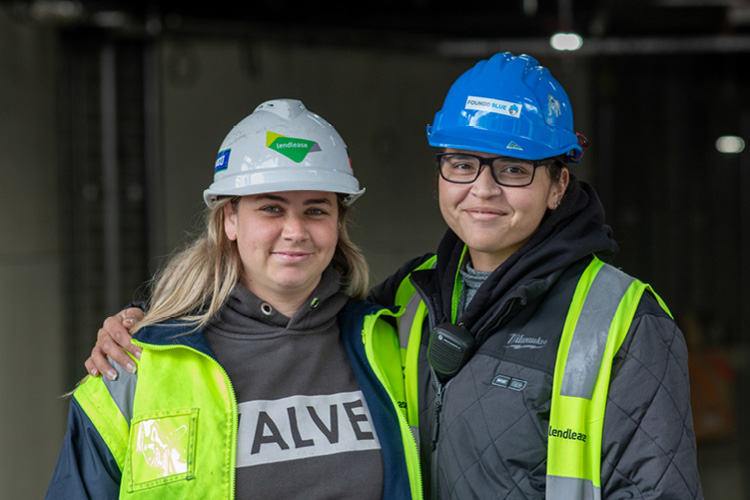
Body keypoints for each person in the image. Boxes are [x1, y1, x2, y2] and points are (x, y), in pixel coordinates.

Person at [85, 54, 704, 499]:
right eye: (462, 163)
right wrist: (148, 326)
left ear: (558, 184)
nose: (483, 189)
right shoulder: (405, 304)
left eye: (514, 170)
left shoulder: (620, 320)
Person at [46, 98, 421, 499]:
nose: (295, 231)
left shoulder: (390, 345)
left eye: (316, 211)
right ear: (230, 219)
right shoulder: (135, 364)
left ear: (338, 223)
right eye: (271, 208)